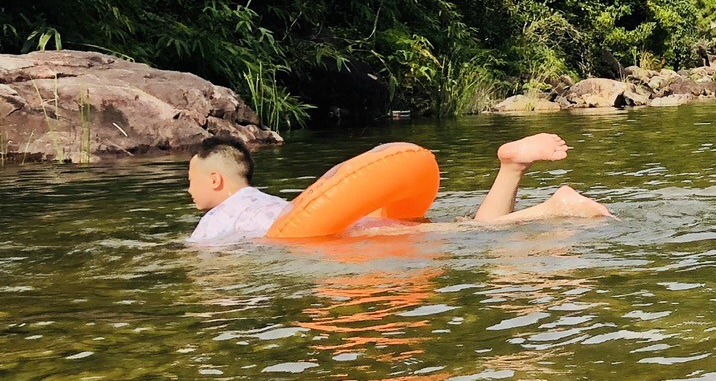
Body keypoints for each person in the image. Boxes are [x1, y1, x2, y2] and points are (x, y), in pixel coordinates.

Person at [186, 133, 608, 245]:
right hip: (346, 220)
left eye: (190, 182)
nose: (189, 193)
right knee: (468, 232)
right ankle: (511, 168)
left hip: (338, 234)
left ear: (215, 180)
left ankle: (557, 208)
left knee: (470, 236)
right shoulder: (266, 202)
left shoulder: (214, 221)